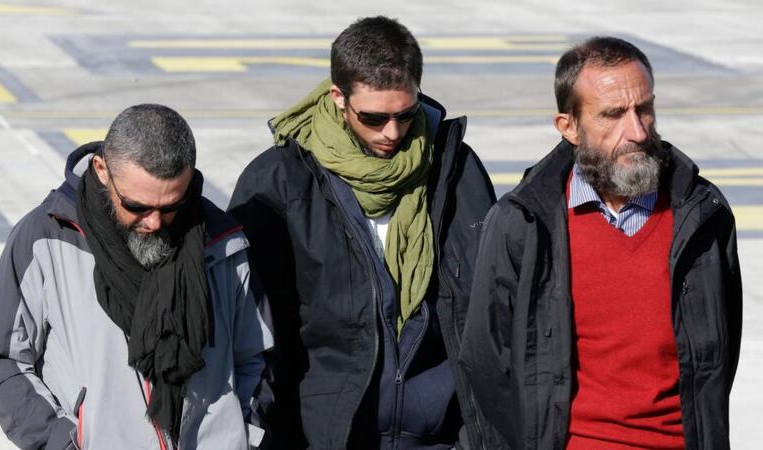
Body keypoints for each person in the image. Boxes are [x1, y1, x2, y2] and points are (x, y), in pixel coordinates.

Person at [460, 36, 742, 449]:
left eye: (644, 109)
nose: (638, 131)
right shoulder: (522, 221)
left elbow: (720, 353)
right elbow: (487, 363)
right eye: (613, 114)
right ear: (568, 127)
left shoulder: (703, 214)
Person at [229, 16, 496, 449]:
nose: (392, 133)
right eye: (373, 118)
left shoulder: (456, 170)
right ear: (338, 97)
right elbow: (250, 336)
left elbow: (488, 311)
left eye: (406, 115)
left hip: (440, 437)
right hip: (326, 436)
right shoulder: (278, 182)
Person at [0, 104, 272, 449]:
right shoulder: (45, 238)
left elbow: (258, 356)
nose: (155, 222)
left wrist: (245, 434)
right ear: (102, 170)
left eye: (171, 206)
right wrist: (63, 443)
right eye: (137, 206)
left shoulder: (222, 242)